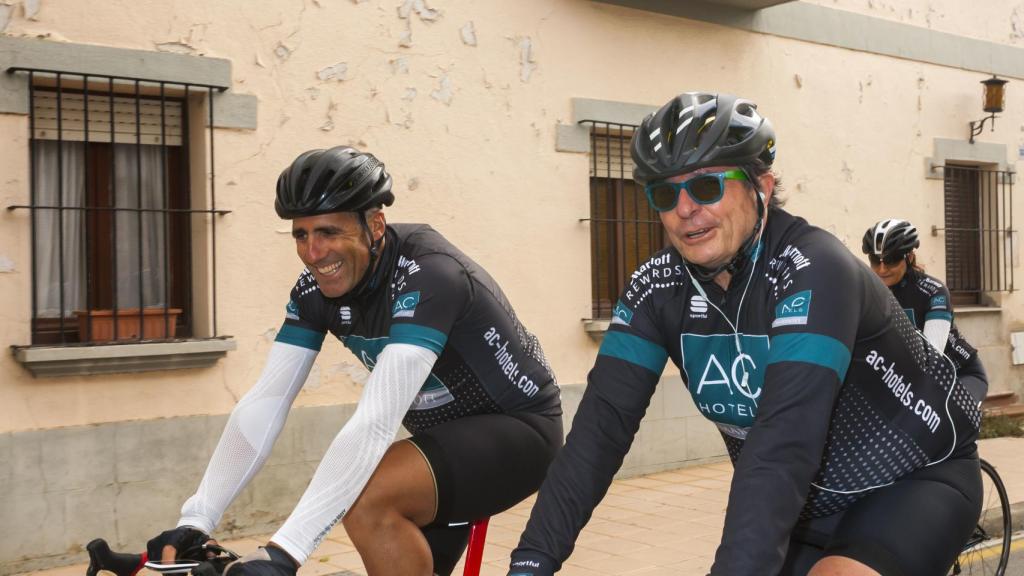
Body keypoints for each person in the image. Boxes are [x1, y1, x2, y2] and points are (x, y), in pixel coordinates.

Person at [507, 93, 983, 576]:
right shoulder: (656, 289)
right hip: (803, 506)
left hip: (911, 480)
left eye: (708, 186)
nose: (685, 209)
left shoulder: (814, 269)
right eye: (665, 195)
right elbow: (599, 432)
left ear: (761, 185)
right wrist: (530, 562)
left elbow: (783, 442)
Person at [147, 146, 563, 576]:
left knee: (366, 497)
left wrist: (285, 552)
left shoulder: (430, 274)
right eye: (301, 235)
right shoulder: (314, 292)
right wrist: (197, 519)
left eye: (328, 232)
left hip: (520, 431)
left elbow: (376, 419)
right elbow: (266, 401)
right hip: (439, 444)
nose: (313, 252)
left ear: (375, 225)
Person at [862, 219, 988, 404]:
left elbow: (931, 357)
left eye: (891, 260)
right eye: (875, 260)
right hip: (908, 379)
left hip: (960, 373)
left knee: (948, 423)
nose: (882, 269)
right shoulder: (869, 292)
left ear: (909, 258)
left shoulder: (933, 291)